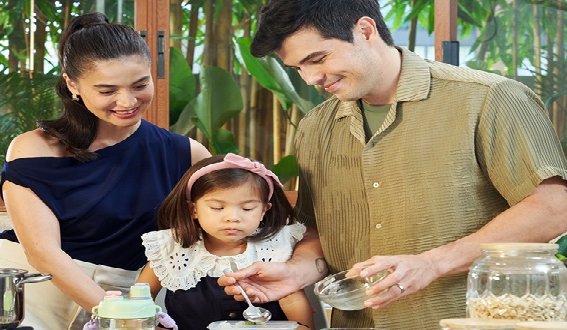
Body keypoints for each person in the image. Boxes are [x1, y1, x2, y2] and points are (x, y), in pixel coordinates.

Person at [218, 0, 567, 329]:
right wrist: (296, 272)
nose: (310, 79)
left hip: (462, 320)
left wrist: (433, 263)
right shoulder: (316, 127)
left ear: (366, 30)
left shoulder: (489, 98)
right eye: (298, 68)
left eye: (318, 59)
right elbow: (317, 230)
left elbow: (554, 208)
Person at [0, 12, 211, 329]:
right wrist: (125, 317)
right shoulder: (33, 149)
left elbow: (210, 233)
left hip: (128, 298)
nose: (127, 101)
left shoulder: (186, 154)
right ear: (72, 84)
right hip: (27, 298)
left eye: (140, 84)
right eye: (107, 91)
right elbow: (42, 253)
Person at [136, 153, 315, 329]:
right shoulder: (172, 248)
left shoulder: (274, 248)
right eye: (217, 208)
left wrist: (303, 327)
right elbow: (143, 293)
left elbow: (293, 301)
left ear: (264, 211)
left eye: (247, 208)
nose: (232, 217)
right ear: (193, 209)